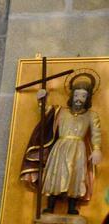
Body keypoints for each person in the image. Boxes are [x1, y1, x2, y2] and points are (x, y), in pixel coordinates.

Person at [25, 72, 103, 215]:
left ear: (88, 98)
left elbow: (96, 133)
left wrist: (97, 149)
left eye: (83, 96)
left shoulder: (92, 115)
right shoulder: (60, 111)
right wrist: (41, 100)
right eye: (77, 95)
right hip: (60, 147)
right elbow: (45, 114)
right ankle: (50, 206)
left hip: (78, 149)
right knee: (56, 173)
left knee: (76, 175)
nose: (79, 99)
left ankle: (72, 207)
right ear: (72, 95)